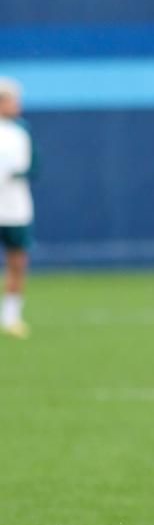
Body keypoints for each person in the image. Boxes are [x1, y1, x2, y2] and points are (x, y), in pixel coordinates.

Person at [0, 78, 34, 340]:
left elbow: (34, 167)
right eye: (12, 100)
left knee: (18, 262)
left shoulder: (21, 132)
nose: (16, 105)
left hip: (16, 209)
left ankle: (11, 317)